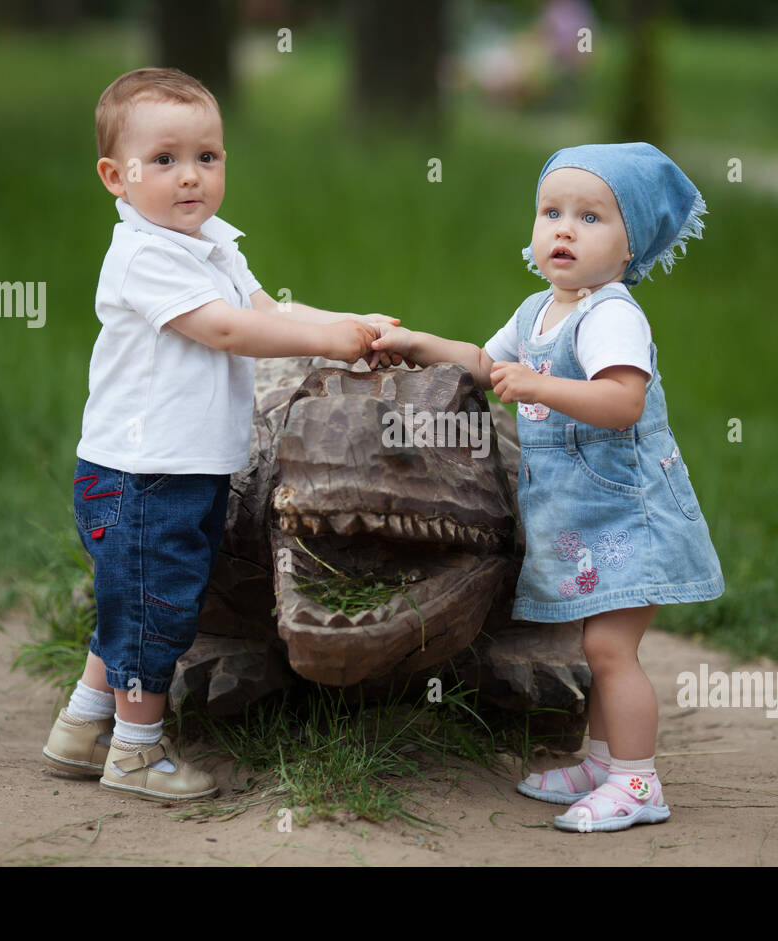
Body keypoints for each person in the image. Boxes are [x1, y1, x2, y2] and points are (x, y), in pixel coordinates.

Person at [43, 67, 400, 802]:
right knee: (157, 610)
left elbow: (269, 306)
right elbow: (228, 329)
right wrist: (328, 341)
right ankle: (136, 751)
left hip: (183, 469)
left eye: (207, 157)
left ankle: (82, 729)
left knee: (136, 599)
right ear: (116, 176)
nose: (189, 178)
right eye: (164, 160)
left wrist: (347, 325)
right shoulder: (144, 255)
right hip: (140, 475)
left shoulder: (209, 244)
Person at [372, 142, 724, 832]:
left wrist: (538, 387)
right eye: (551, 212)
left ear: (631, 247)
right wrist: (420, 343)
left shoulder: (611, 314)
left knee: (609, 650)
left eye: (591, 217)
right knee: (596, 646)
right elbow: (483, 362)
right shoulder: (541, 308)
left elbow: (621, 401)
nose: (564, 229)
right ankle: (601, 761)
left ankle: (637, 782)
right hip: (589, 517)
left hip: (633, 516)